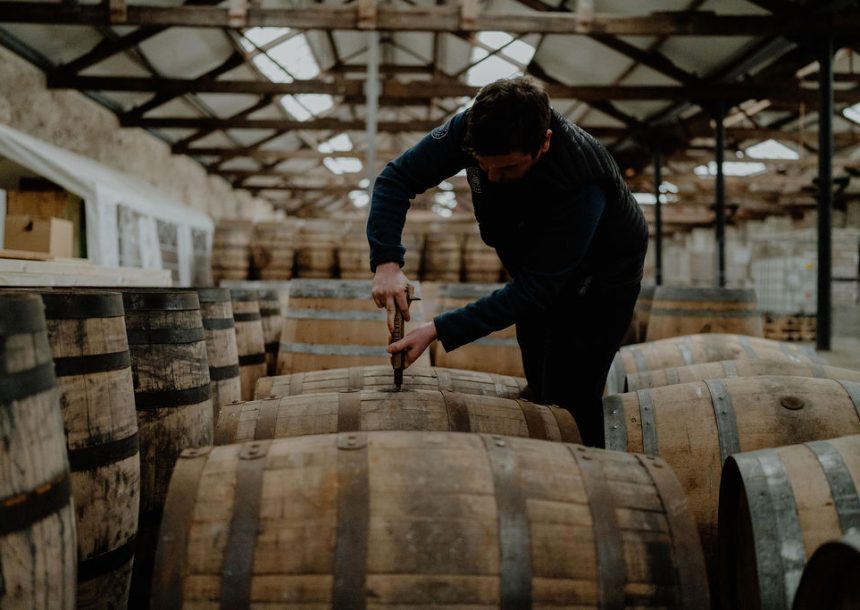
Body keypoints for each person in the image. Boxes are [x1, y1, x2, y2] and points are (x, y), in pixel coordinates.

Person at [367, 76, 648, 447]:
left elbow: (537, 289)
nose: (493, 179)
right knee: (538, 373)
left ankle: (591, 477)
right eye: (483, 167)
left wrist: (437, 329)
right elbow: (397, 178)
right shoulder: (471, 128)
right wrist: (387, 262)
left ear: (544, 143)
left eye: (508, 169)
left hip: (602, 279)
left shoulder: (582, 182)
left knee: (572, 396)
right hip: (533, 260)